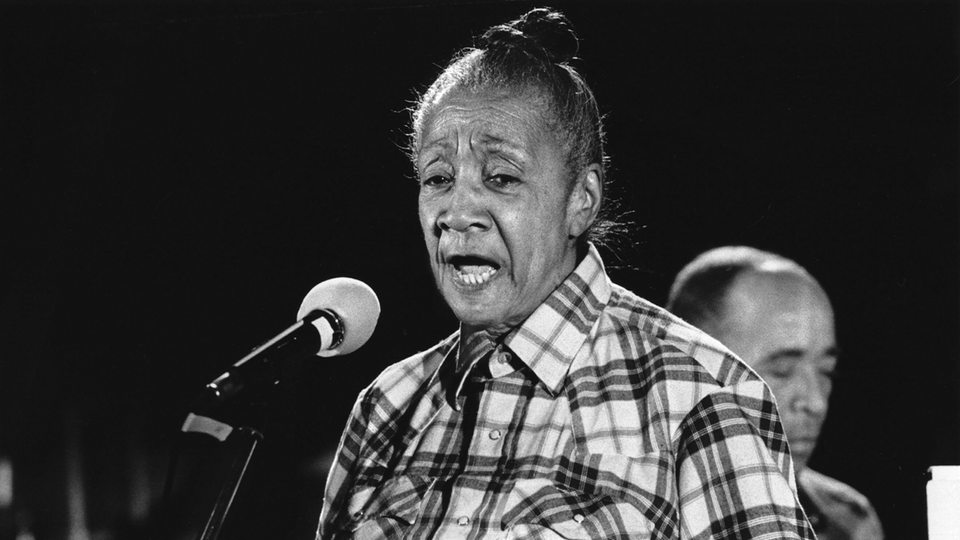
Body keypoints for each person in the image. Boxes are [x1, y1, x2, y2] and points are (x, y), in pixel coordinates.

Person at [318, 9, 814, 539]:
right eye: (437, 177)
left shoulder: (698, 394)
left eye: (501, 177)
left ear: (582, 199)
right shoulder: (387, 405)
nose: (456, 212)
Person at [667, 246, 884, 540]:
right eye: (782, 370)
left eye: (826, 372)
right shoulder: (620, 515)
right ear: (690, 367)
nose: (815, 403)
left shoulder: (849, 523)